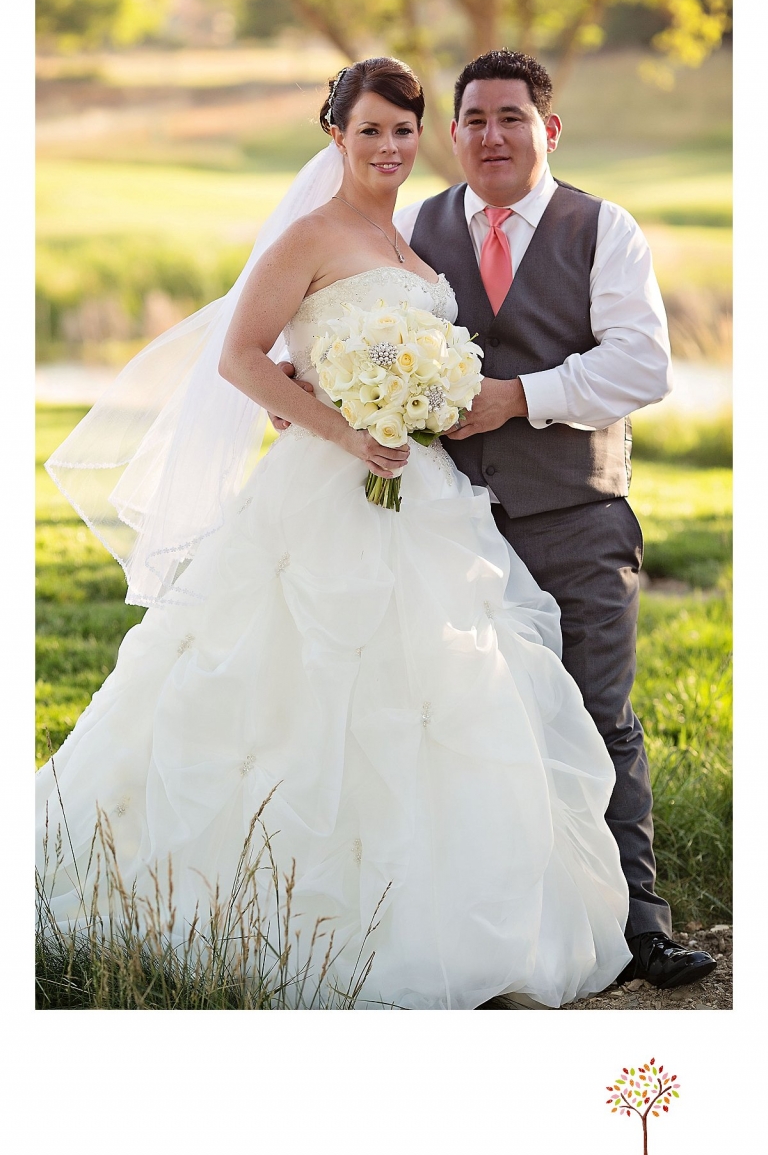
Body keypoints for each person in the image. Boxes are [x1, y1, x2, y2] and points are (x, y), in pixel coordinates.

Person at [37, 56, 635, 1011]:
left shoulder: (409, 246)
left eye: (404, 131)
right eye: (370, 132)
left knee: (443, 698)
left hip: (421, 496)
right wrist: (344, 425)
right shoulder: (309, 235)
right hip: (325, 492)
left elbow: (330, 357)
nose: (390, 148)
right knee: (298, 691)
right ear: (337, 136)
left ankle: (457, 915)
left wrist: (416, 403)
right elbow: (241, 357)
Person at [393, 49, 716, 990]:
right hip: (448, 523)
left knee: (597, 715)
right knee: (461, 721)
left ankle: (640, 928)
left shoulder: (601, 228)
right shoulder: (418, 226)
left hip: (576, 517)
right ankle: (493, 933)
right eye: (474, 120)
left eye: (511, 117)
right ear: (452, 135)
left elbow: (642, 366)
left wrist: (519, 397)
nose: (491, 135)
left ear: (549, 129)